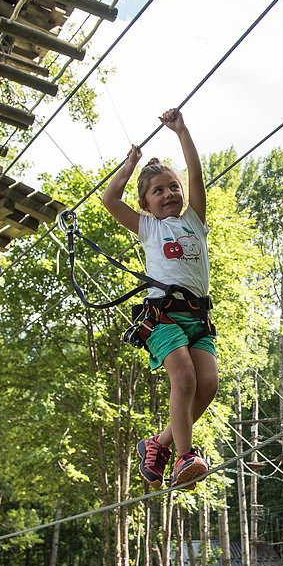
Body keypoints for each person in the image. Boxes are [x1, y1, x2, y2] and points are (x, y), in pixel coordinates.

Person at [102, 108, 219, 490]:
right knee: (183, 378)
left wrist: (182, 132)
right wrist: (128, 165)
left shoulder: (194, 221)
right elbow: (109, 198)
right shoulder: (148, 228)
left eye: (173, 187)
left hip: (198, 318)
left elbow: (197, 174)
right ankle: (185, 456)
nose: (169, 193)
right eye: (158, 190)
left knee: (208, 386)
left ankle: (158, 445)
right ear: (145, 204)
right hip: (163, 316)